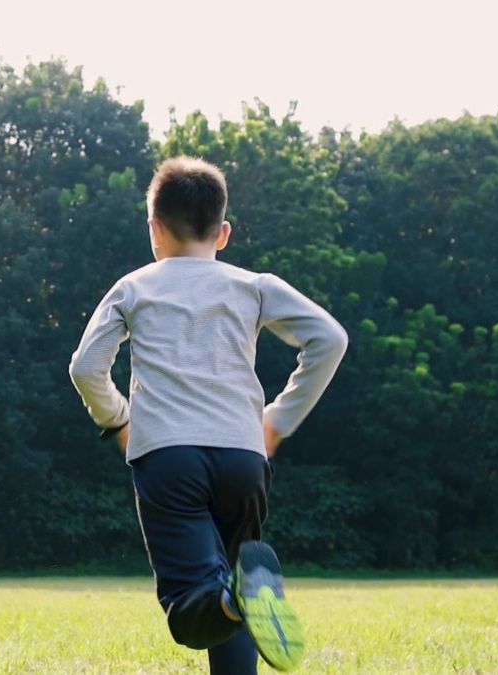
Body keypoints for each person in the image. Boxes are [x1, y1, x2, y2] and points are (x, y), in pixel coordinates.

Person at [69, 157, 348, 673]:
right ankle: (240, 596)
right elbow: (330, 339)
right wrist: (277, 420)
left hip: (168, 458)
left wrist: (118, 420)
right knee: (236, 577)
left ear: (154, 227)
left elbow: (86, 368)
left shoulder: (134, 287)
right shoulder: (254, 286)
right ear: (222, 232)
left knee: (191, 606)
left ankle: (232, 600)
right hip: (244, 458)